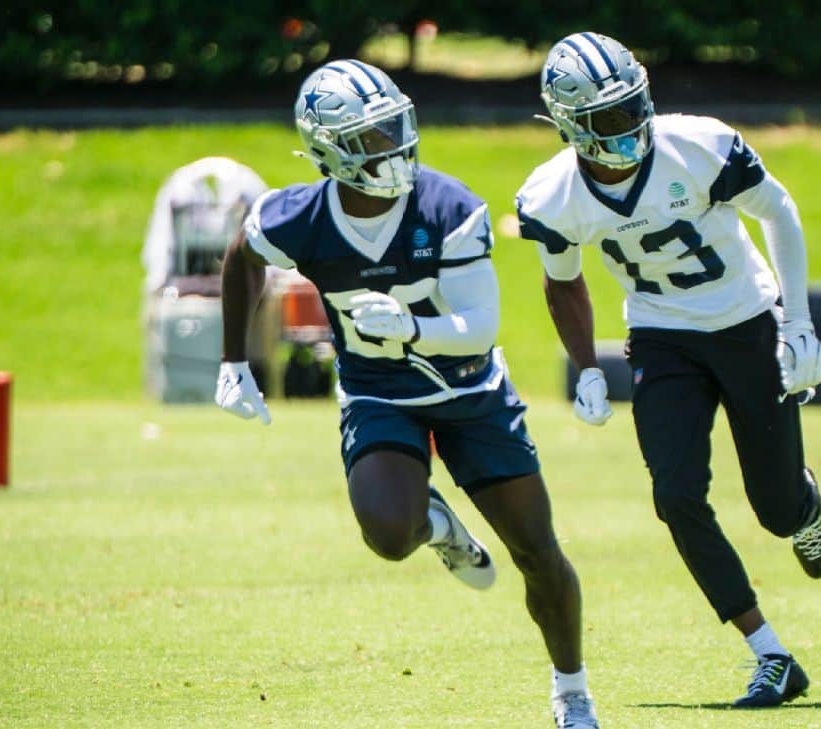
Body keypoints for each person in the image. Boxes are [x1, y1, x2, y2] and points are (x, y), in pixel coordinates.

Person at [216, 59, 600, 728]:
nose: (390, 146)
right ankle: (436, 524)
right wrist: (233, 361)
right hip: (379, 393)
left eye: (392, 127)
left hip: (471, 391)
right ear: (328, 149)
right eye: (369, 137)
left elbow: (479, 327)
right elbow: (243, 258)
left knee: (537, 550)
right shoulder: (299, 216)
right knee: (389, 534)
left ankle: (572, 692)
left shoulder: (448, 206)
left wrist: (412, 326)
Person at [515, 32, 821, 708]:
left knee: (776, 512)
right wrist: (587, 366)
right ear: (571, 126)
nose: (631, 127)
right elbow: (562, 280)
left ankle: (803, 502)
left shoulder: (698, 145)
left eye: (634, 106)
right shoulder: (553, 195)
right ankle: (770, 651)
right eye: (609, 118)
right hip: (663, 336)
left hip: (746, 319)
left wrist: (798, 319)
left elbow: (778, 210)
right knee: (676, 493)